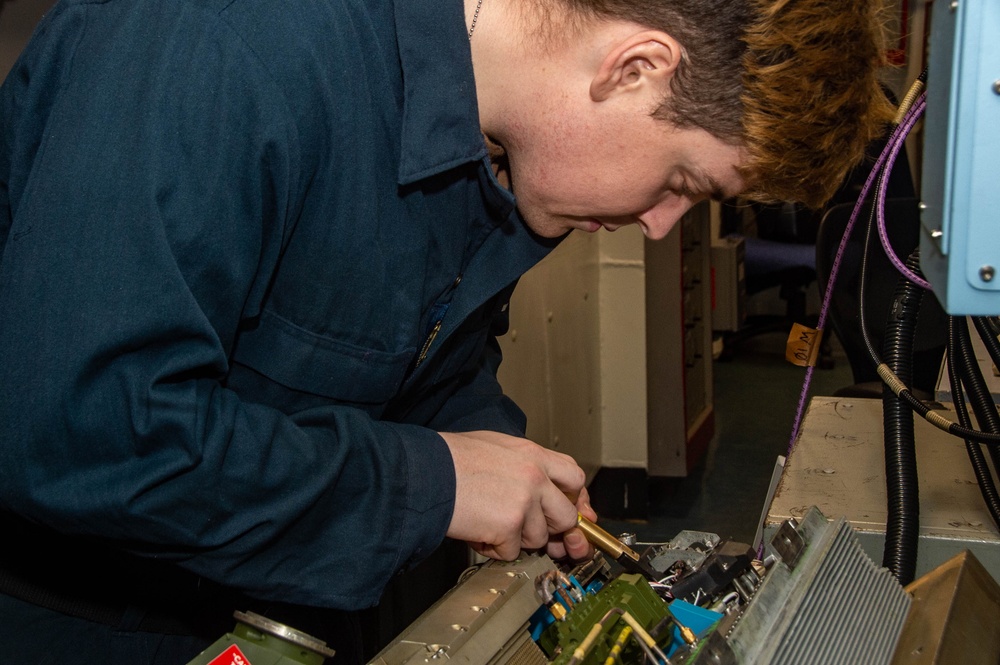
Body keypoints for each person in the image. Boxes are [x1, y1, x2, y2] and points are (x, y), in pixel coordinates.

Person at [0, 0, 891, 661]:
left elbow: (401, 358)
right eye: (684, 183)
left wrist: (503, 461)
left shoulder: (488, 152)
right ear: (635, 66)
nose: (662, 224)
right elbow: (81, 426)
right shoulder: (223, 41)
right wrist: (434, 484)